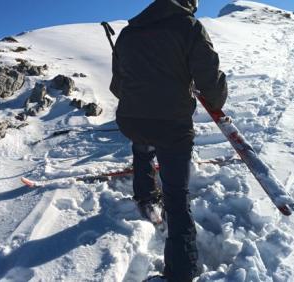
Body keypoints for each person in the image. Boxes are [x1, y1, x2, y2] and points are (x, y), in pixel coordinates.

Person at [109, 0, 228, 281]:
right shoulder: (189, 27)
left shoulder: (128, 32)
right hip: (172, 123)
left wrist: (139, 99)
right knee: (177, 196)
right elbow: (210, 81)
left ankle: (146, 196)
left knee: (142, 147)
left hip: (133, 119)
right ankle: (181, 271)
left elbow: (117, 85)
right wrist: (213, 98)